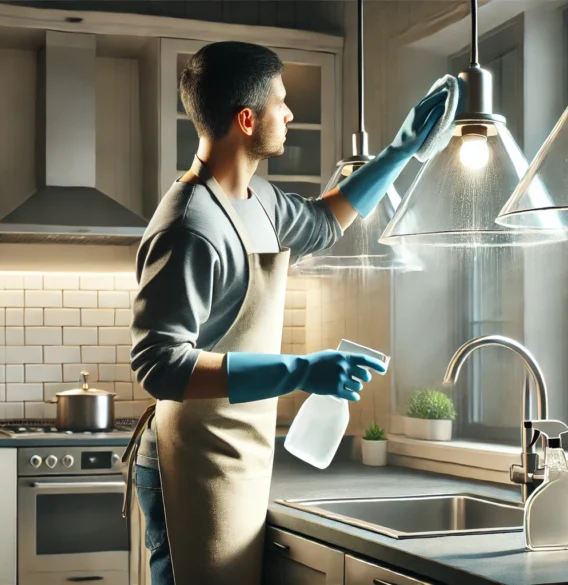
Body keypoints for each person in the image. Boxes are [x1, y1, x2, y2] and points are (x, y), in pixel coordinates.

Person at [122, 41, 451, 585]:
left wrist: (398, 153)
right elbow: (159, 365)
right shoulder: (189, 225)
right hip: (189, 459)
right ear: (247, 119)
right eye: (281, 102)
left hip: (238, 449)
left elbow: (325, 222)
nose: (290, 114)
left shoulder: (260, 201)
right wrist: (301, 370)